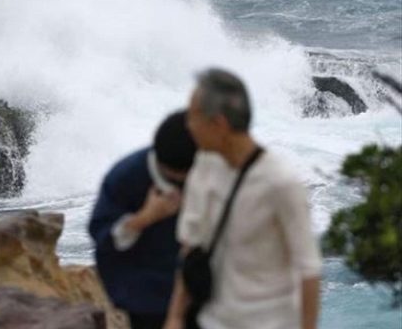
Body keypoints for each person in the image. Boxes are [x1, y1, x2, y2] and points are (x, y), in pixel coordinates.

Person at [164, 68, 322, 329]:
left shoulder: (281, 183)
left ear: (219, 124)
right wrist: (175, 317)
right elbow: (190, 248)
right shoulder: (203, 168)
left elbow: (309, 270)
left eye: (193, 117)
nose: (187, 126)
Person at [89, 111, 198, 329]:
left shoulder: (212, 169)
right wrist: (145, 217)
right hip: (144, 293)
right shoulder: (126, 177)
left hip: (200, 287)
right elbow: (104, 239)